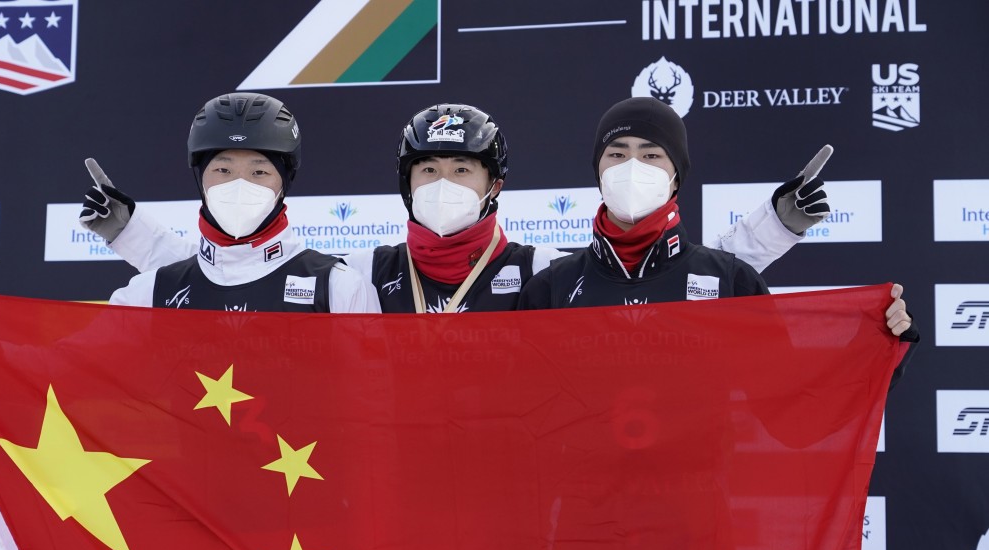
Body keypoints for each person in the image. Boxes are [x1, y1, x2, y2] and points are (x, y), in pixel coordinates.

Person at [80, 102, 830, 313]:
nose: (446, 183)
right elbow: (233, 274)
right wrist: (133, 234)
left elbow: (664, 275)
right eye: (429, 169)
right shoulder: (363, 275)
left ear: (493, 184)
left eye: (463, 169)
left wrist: (776, 225)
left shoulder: (539, 273)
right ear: (406, 185)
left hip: (513, 485)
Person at [516, 96, 916, 346]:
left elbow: (788, 397)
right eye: (617, 154)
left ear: (676, 174)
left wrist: (879, 344)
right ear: (598, 170)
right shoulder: (553, 287)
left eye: (652, 155)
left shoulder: (731, 280)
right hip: (578, 483)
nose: (632, 167)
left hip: (698, 483)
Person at [89, 92, 380, 312]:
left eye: (259, 172)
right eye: (223, 170)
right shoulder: (146, 295)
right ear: (200, 179)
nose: (240, 186)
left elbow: (372, 388)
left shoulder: (338, 287)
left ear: (284, 183)